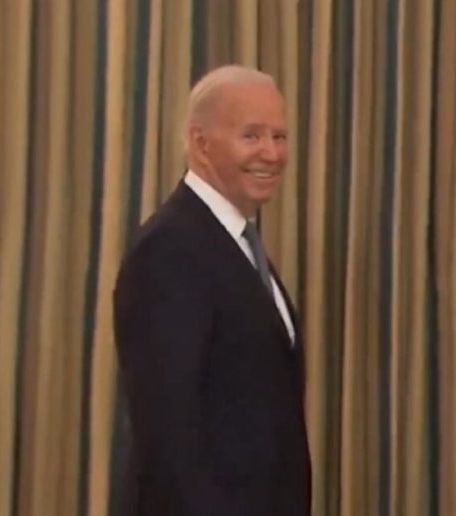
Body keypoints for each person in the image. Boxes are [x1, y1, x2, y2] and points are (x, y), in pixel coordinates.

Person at [112, 65, 310, 516]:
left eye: (279, 137)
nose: (271, 153)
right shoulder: (169, 250)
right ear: (200, 144)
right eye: (251, 136)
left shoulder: (233, 243)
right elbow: (168, 435)